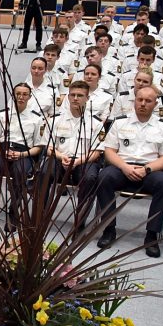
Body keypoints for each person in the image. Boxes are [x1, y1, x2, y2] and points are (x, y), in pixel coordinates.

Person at [95, 86, 163, 257]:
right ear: (134, 101)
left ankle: (151, 235)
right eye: (140, 100)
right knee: (104, 177)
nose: (143, 104)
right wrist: (125, 167)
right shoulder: (120, 122)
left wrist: (147, 169)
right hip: (123, 166)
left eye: (148, 101)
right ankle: (109, 230)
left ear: (155, 103)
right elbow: (109, 151)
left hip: (150, 169)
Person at [0, 83, 45, 229]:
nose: (21, 97)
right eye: (18, 94)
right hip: (3, 151)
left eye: (24, 94)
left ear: (30, 96)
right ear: (13, 95)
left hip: (24, 153)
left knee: (20, 172)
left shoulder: (37, 119)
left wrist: (22, 154)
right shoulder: (3, 115)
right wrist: (2, 152)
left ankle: (13, 212)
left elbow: (39, 147)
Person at [44, 81, 104, 228]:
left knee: (90, 178)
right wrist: (60, 156)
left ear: (87, 98)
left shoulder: (96, 123)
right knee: (44, 173)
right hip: (60, 158)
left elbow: (97, 152)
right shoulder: (55, 120)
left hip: (83, 161)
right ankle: (41, 216)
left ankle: (80, 221)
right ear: (68, 97)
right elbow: (48, 147)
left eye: (80, 95)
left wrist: (77, 161)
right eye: (73, 95)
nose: (76, 98)